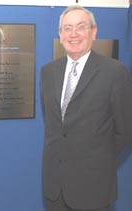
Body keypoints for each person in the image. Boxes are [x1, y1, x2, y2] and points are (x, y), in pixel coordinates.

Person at [40, 5, 132, 211]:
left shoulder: (115, 72)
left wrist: (97, 157)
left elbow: (125, 130)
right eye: (67, 28)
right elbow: (56, 125)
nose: (74, 34)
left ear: (93, 32)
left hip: (94, 185)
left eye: (81, 27)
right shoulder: (48, 72)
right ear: (60, 34)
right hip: (55, 187)